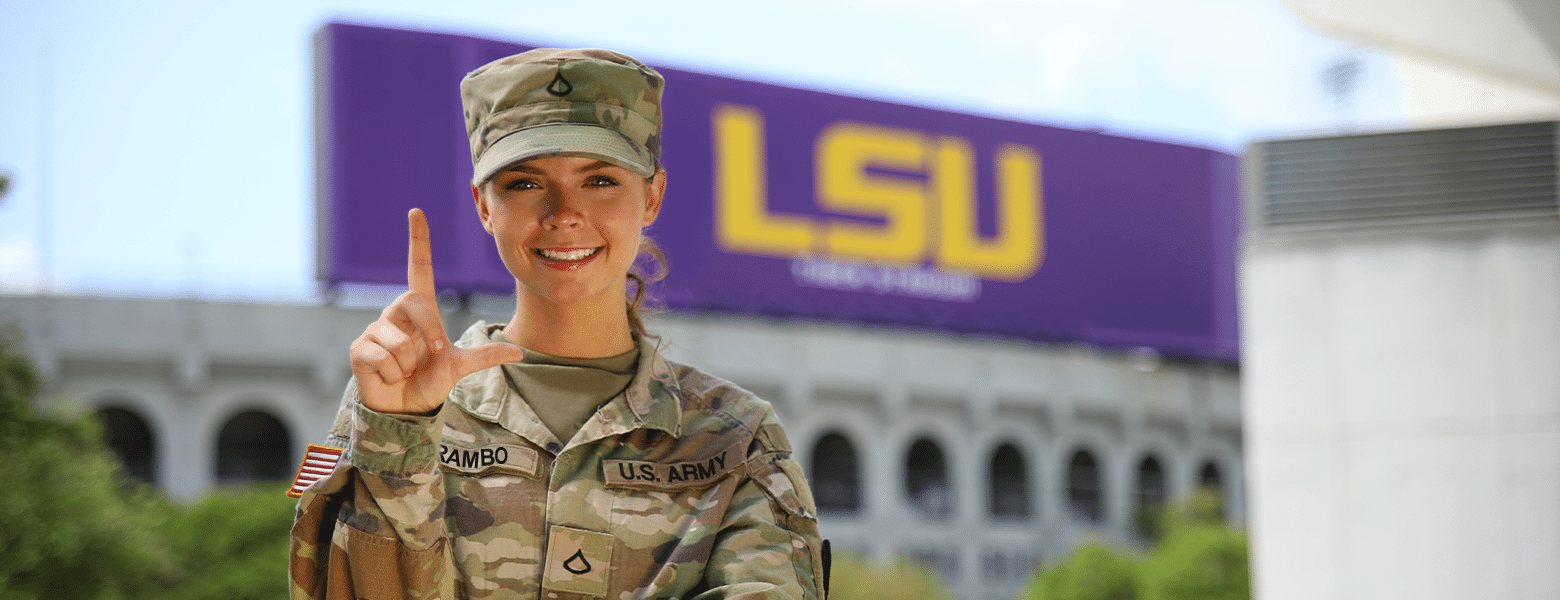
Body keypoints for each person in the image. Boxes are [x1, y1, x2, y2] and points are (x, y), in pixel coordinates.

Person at [289, 48, 828, 600]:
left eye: (600, 181)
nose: (564, 214)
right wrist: (398, 441)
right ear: (483, 206)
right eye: (524, 184)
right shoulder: (391, 407)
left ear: (652, 196)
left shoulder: (736, 438)